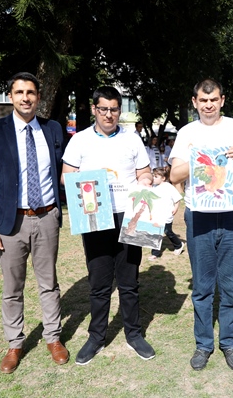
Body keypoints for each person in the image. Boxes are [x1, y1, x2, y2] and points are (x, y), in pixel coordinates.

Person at [169, 79, 233, 372]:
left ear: (222, 100)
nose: (208, 105)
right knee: (202, 286)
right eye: (203, 100)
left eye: (213, 100)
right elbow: (174, 175)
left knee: (231, 285)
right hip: (199, 215)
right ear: (195, 102)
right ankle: (203, 344)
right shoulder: (187, 133)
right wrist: (198, 159)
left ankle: (229, 343)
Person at [0, 72, 68, 374]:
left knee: (49, 283)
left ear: (38, 97)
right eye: (19, 92)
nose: (25, 98)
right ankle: (15, 343)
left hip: (46, 217)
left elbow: (65, 170)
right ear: (10, 96)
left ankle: (53, 337)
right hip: (10, 222)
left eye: (31, 92)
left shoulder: (53, 129)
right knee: (12, 287)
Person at [61, 86, 156, 365]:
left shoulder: (132, 138)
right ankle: (96, 337)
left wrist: (146, 181)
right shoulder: (80, 140)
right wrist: (86, 182)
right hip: (95, 215)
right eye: (103, 109)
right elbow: (66, 176)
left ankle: (134, 334)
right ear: (94, 109)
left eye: (114, 109)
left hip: (130, 215)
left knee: (129, 282)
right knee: (99, 283)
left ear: (119, 110)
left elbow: (145, 172)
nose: (109, 114)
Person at [148, 166, 184, 261]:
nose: (153, 178)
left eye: (156, 176)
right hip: (156, 215)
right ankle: (155, 253)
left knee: (168, 232)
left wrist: (176, 208)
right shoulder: (153, 187)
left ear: (163, 178)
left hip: (166, 215)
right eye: (153, 176)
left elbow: (177, 198)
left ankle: (179, 245)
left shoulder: (169, 187)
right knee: (156, 233)